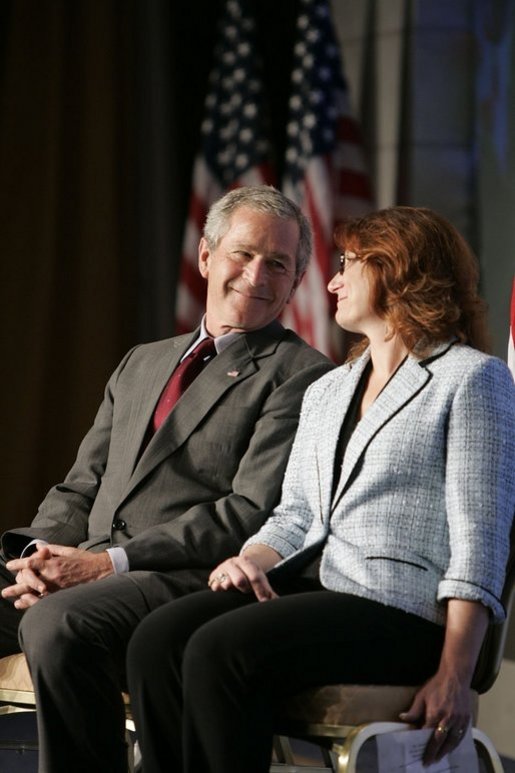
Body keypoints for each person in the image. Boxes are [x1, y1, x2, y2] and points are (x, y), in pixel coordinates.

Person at [126, 205, 515, 773]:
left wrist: (456, 671)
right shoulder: (329, 390)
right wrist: (250, 559)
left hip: (405, 612)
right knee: (155, 641)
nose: (331, 280)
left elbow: (481, 539)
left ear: (398, 272)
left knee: (220, 650)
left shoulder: (472, 378)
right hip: (316, 590)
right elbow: (295, 514)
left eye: (350, 264)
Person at [0, 185, 333, 772]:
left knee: (59, 623)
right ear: (206, 257)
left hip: (180, 578)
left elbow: (246, 512)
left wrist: (106, 564)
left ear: (296, 280)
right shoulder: (143, 361)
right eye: (243, 253)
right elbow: (82, 484)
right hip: (87, 560)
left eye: (278, 264)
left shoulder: (302, 375)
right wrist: (37, 556)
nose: (257, 274)